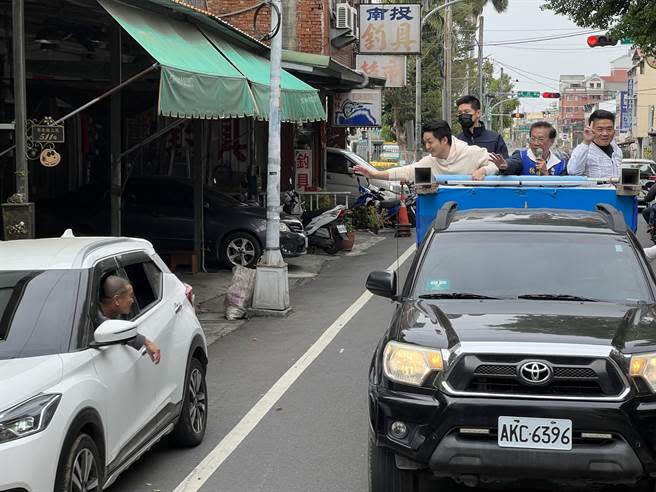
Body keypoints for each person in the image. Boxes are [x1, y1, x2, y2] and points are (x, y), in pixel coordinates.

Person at [353, 120, 498, 182]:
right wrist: (375, 174)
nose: (427, 147)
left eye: (430, 142)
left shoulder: (471, 153)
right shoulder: (430, 162)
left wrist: (483, 171)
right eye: (425, 142)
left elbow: (497, 165)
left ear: (444, 140)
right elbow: (407, 171)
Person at [96, 275, 161, 364]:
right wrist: (146, 342)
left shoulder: (115, 312)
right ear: (117, 300)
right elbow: (115, 329)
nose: (133, 301)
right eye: (130, 296)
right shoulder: (92, 318)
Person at [490, 121, 566, 176]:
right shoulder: (521, 157)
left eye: (541, 139)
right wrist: (505, 165)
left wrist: (546, 175)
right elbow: (513, 163)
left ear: (551, 141)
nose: (535, 143)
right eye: (533, 138)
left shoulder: (560, 165)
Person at [567, 109, 622, 179]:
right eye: (600, 129)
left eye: (609, 129)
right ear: (591, 129)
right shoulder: (583, 150)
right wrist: (586, 142)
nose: (605, 133)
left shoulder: (617, 150)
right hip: (594, 189)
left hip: (615, 190)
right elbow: (573, 172)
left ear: (614, 130)